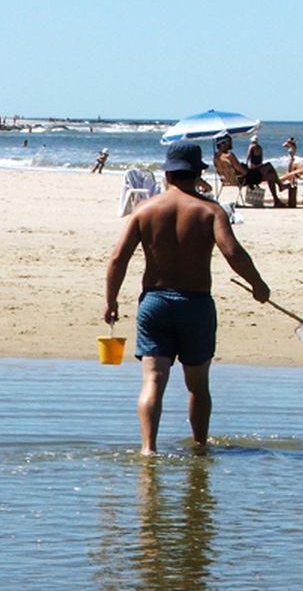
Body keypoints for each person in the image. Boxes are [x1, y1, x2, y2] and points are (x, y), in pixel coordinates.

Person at [105, 141, 270, 455]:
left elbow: (117, 259)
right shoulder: (210, 211)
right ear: (198, 174)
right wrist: (257, 284)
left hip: (154, 303)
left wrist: (111, 301)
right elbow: (232, 252)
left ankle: (148, 449)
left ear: (167, 174)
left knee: (153, 379)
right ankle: (199, 448)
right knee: (197, 386)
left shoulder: (145, 210)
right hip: (195, 305)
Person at [213, 135, 289, 207]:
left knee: (271, 176)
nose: (230, 143)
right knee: (269, 166)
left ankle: (277, 198)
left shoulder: (216, 156)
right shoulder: (229, 155)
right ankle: (280, 187)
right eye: (228, 142)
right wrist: (247, 168)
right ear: (222, 144)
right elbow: (243, 171)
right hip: (245, 179)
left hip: (232, 179)